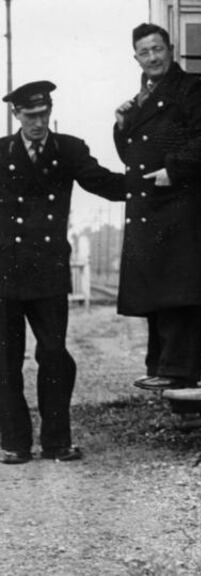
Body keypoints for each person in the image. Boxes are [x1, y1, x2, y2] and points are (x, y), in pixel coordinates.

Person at [0, 81, 125, 463]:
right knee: (6, 361)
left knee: (54, 356)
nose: (38, 123)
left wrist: (158, 181)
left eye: (43, 114)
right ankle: (14, 442)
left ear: (49, 111)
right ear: (16, 115)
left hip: (49, 273)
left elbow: (105, 183)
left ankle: (56, 441)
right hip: (5, 274)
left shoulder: (68, 149)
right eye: (29, 115)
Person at [114, 23, 201, 392]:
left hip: (178, 202)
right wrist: (120, 125)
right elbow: (129, 154)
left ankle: (178, 370)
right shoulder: (143, 98)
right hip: (152, 205)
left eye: (158, 49)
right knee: (158, 293)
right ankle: (160, 365)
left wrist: (173, 170)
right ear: (136, 57)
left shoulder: (191, 90)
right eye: (145, 52)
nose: (153, 57)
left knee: (177, 293)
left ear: (170, 49)